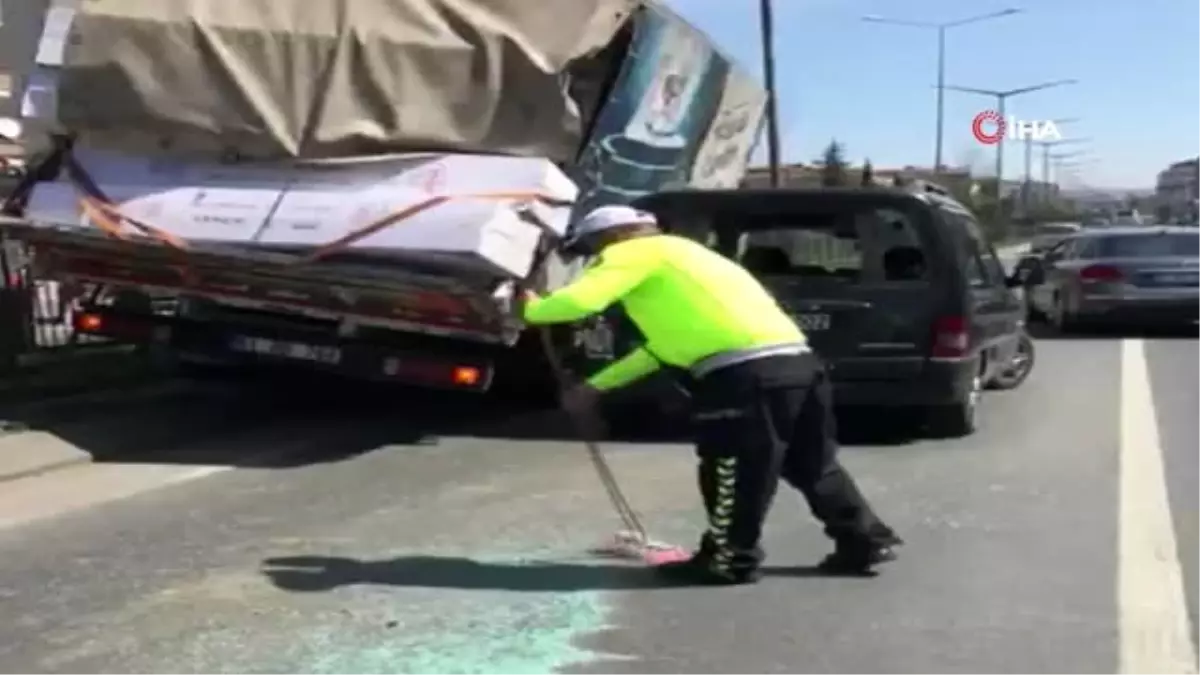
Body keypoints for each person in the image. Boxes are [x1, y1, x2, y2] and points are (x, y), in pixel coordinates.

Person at [521, 204, 902, 585]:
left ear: (611, 236)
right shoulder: (691, 257)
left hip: (746, 374)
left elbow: (579, 302)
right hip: (798, 364)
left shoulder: (633, 252)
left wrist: (532, 309)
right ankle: (863, 540)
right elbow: (662, 349)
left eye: (593, 251)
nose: (597, 262)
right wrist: (595, 387)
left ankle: (728, 558)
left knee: (731, 467)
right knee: (813, 463)